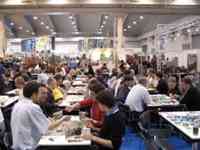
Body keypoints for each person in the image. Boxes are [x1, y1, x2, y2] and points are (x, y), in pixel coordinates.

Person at [11, 81, 69, 150]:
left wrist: (49, 120)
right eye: (42, 93)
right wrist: (63, 119)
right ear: (34, 94)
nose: (46, 96)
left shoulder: (18, 104)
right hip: (29, 147)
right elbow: (48, 127)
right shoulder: (32, 107)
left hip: (18, 145)